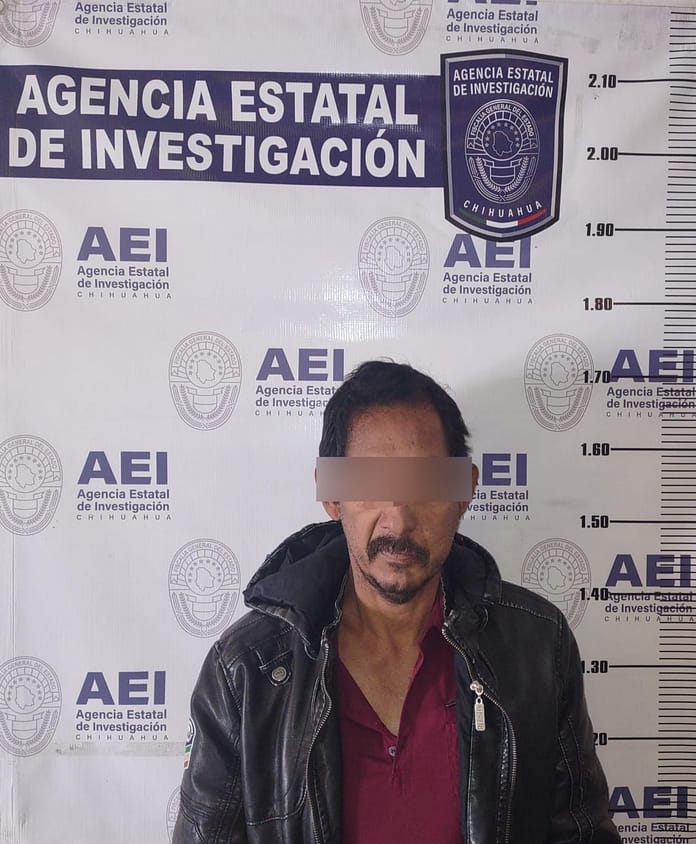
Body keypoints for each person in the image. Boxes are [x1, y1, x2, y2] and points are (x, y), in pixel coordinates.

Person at [173, 360, 621, 843]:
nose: (399, 521)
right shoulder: (248, 669)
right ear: (332, 494)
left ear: (465, 491)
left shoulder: (536, 646)